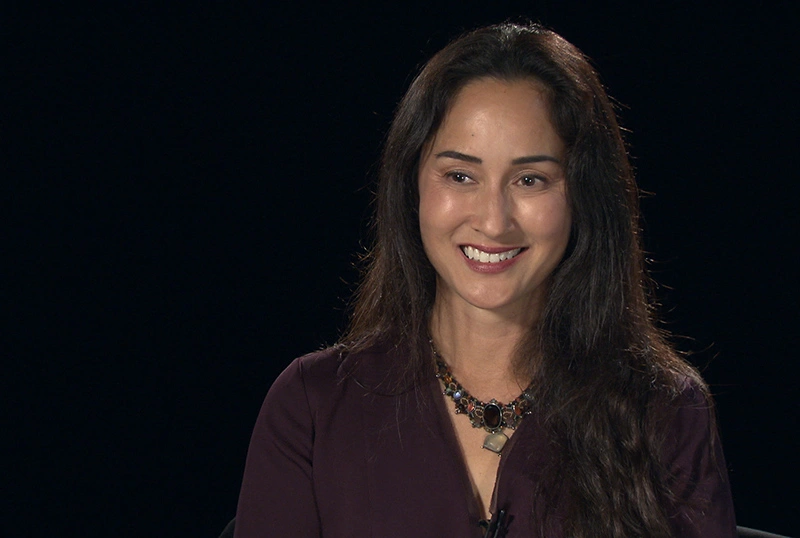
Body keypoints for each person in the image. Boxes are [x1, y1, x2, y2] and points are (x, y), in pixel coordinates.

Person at [234, 22, 737, 537]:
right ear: (412, 186)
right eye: (460, 176)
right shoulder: (312, 408)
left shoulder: (666, 413)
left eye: (530, 180)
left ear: (583, 198)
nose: (494, 221)